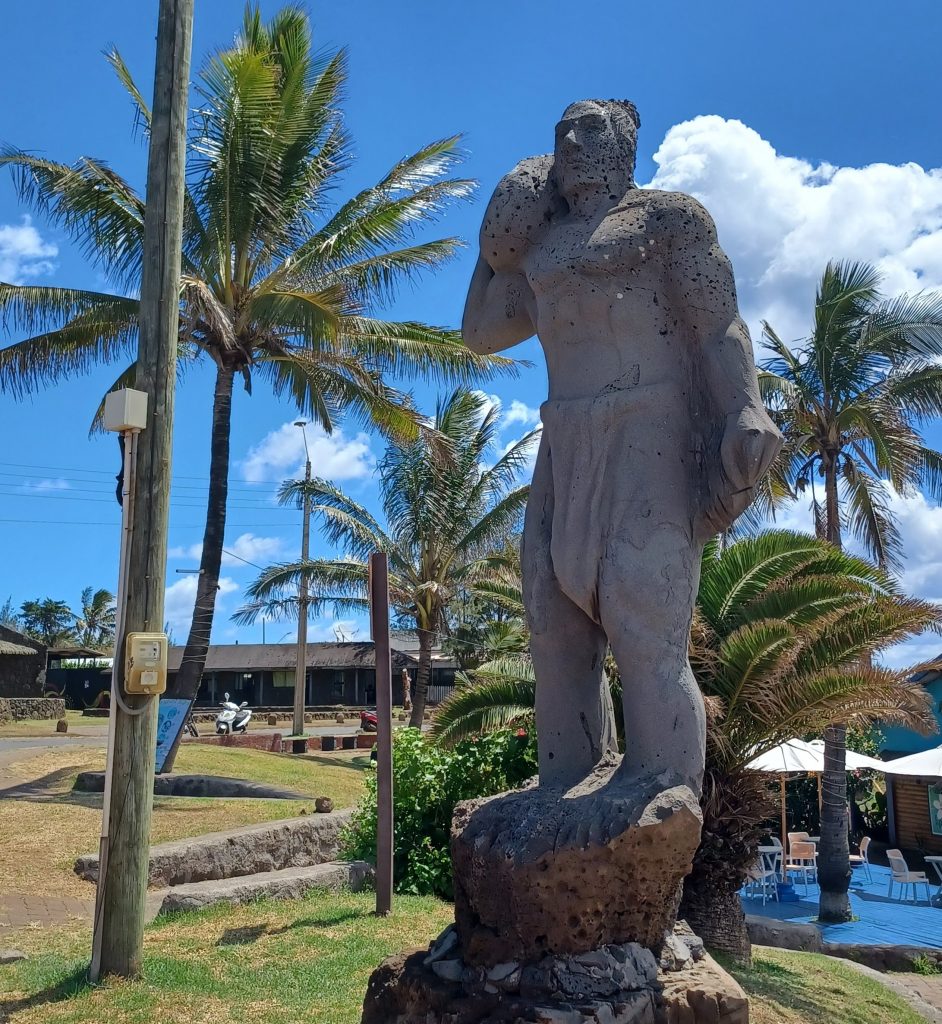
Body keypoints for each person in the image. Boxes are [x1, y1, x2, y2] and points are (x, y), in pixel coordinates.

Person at [463, 100, 780, 792]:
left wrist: (744, 406)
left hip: (650, 427)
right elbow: (480, 332)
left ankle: (661, 791)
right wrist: (499, 238)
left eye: (589, 127)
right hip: (565, 436)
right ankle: (562, 786)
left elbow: (718, 324)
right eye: (561, 132)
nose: (571, 140)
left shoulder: (670, 220)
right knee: (552, 624)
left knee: (645, 621)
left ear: (625, 144)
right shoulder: (544, 253)